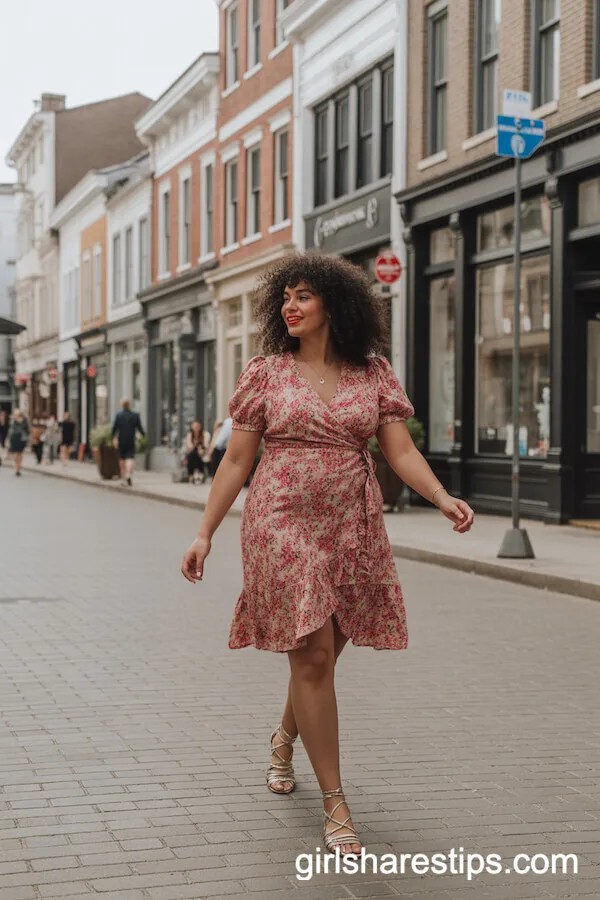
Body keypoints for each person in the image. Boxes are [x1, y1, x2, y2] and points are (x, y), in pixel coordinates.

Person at [180, 253, 475, 858]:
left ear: (334, 306)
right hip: (281, 519)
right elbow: (236, 460)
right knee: (312, 656)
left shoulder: (372, 374)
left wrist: (442, 497)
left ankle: (283, 739)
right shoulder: (266, 373)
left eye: (303, 296)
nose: (289, 306)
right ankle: (336, 803)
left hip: (352, 524)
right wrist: (204, 532)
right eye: (285, 296)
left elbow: (399, 451)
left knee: (322, 654)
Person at [111, 398, 145, 486]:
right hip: (131, 439)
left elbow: (114, 428)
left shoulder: (118, 415)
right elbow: (140, 427)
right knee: (130, 457)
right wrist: (143, 435)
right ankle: (128, 475)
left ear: (122, 405)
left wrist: (112, 437)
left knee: (122, 459)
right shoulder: (135, 415)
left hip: (121, 439)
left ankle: (123, 477)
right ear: (129, 405)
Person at [8, 409, 29, 476]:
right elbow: (11, 429)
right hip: (15, 438)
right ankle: (17, 465)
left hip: (21, 439)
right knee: (16, 454)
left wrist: (27, 438)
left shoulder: (25, 420)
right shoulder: (13, 420)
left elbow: (27, 429)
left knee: (20, 453)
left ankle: (18, 468)